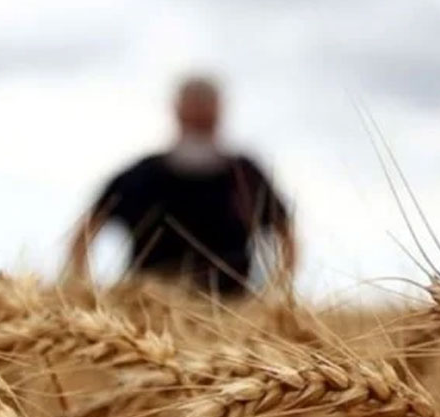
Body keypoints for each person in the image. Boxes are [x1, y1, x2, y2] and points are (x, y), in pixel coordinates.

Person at [67, 76, 296, 298]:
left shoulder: (245, 176)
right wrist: (85, 293)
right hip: (146, 314)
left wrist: (273, 295)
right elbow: (85, 233)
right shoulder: (141, 177)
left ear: (219, 112)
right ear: (177, 111)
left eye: (205, 112)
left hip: (230, 312)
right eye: (192, 110)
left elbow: (286, 235)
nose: (198, 117)